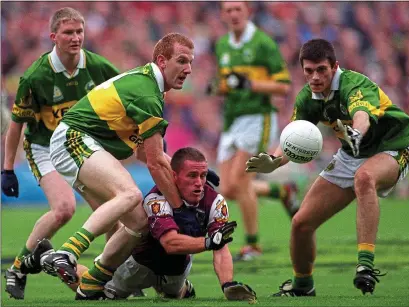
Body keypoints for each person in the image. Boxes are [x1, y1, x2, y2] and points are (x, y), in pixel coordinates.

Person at [245, 38, 409, 296]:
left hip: (391, 147)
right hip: (350, 154)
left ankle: (365, 265)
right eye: (308, 71)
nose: (315, 77)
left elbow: (361, 116)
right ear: (302, 69)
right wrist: (275, 161)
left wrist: (357, 132)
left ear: (334, 66)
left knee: (364, 178)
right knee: (301, 224)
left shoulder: (354, 84)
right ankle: (303, 285)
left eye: (321, 70)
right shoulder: (307, 98)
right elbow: (293, 139)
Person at [37, 32, 197, 299]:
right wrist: (182, 210)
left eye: (190, 62)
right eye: (181, 61)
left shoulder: (148, 86)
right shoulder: (148, 94)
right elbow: (155, 163)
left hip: (83, 143)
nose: (188, 69)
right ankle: (68, 252)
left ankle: (90, 283)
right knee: (130, 194)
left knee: (138, 222)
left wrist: (186, 174)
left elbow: (146, 155)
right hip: (74, 138)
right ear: (162, 60)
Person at [21, 148, 255, 301]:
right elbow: (171, 243)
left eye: (203, 176)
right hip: (138, 266)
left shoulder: (215, 202)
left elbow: (220, 245)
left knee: (178, 293)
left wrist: (227, 284)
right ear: (173, 176)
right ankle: (45, 256)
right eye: (192, 176)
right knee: (98, 294)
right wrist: (207, 242)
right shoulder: (156, 199)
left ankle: (179, 287)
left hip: (176, 270)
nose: (199, 183)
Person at [1, 7, 120, 300]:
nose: (75, 37)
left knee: (111, 213)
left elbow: (127, 93)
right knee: (65, 208)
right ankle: (17, 268)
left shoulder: (97, 66)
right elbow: (15, 126)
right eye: (68, 32)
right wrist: (7, 169)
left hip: (79, 147)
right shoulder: (36, 76)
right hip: (44, 148)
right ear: (53, 36)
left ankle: (113, 277)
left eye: (79, 32)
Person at [209, 1, 298, 261]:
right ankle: (281, 192)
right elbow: (228, 83)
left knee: (240, 181)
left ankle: (253, 246)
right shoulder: (223, 45)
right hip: (232, 120)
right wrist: (220, 87)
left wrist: (251, 84)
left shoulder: (263, 43)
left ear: (248, 11)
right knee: (227, 187)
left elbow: (283, 86)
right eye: (229, 10)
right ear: (222, 15)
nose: (234, 14)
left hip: (257, 119)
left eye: (238, 9)